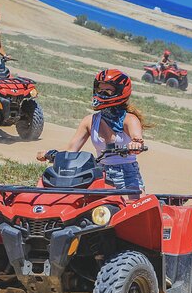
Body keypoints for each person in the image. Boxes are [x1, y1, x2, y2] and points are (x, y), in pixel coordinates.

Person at [37, 69, 147, 197]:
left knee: (136, 209)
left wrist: (135, 145)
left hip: (128, 175)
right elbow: (71, 149)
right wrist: (50, 153)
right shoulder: (90, 121)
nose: (102, 93)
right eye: (100, 90)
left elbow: (137, 139)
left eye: (108, 90)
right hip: (99, 173)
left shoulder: (130, 119)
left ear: (120, 92)